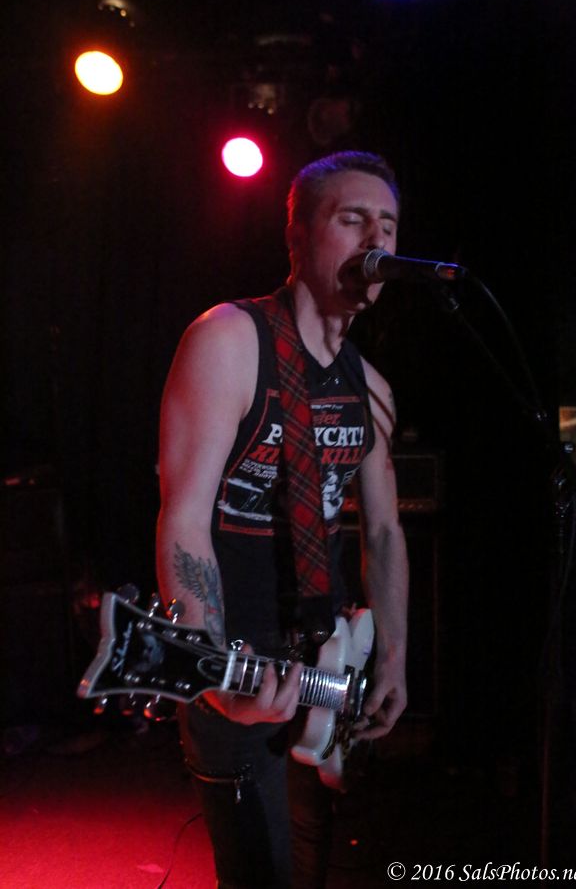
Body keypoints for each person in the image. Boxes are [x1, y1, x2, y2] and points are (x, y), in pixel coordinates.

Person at [156, 150, 409, 888]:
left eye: (388, 225)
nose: (376, 241)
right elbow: (183, 517)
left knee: (314, 861)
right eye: (352, 219)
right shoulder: (230, 341)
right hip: (239, 666)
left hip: (328, 662)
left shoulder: (371, 387)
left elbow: (384, 531)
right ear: (297, 239)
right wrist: (208, 667)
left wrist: (393, 657)